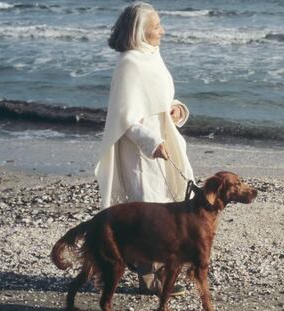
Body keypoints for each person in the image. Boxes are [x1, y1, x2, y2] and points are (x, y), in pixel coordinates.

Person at [95, 2, 194, 296]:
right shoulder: (129, 63)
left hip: (164, 140)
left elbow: (163, 99)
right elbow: (124, 119)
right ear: (140, 31)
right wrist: (152, 142)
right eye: (156, 27)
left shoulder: (153, 57)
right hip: (141, 149)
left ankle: (161, 270)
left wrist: (177, 110)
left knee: (166, 205)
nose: (162, 31)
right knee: (147, 207)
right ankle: (148, 278)